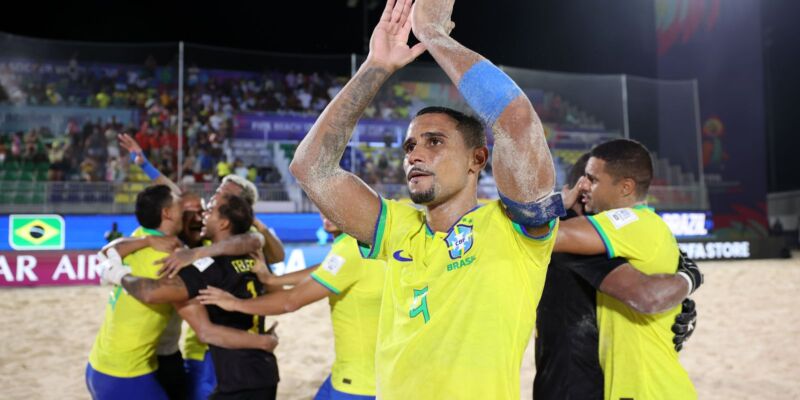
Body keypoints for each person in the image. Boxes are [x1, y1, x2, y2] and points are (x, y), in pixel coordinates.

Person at [290, 0, 562, 397]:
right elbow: (311, 168)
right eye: (409, 146)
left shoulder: (517, 229)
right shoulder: (399, 228)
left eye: (434, 142)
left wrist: (434, 36)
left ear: (477, 159)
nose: (414, 154)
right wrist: (376, 67)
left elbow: (516, 122)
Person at [535, 152, 701, 400]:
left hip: (573, 382)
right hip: (578, 387)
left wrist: (679, 302)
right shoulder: (576, 243)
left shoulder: (600, 237)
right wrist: (688, 278)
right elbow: (645, 294)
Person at [88, 186, 276, 400]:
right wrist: (261, 342)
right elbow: (201, 327)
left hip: (130, 359)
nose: (198, 217)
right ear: (168, 214)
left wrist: (195, 252)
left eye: (204, 211)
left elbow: (254, 240)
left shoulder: (148, 240)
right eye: (187, 211)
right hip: (127, 369)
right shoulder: (172, 260)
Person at [197, 214, 386, 399]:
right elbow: (325, 269)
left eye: (336, 206)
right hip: (357, 371)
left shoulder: (350, 249)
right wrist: (273, 279)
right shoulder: (360, 244)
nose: (327, 212)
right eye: (323, 206)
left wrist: (234, 303)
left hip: (359, 382)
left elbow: (290, 301)